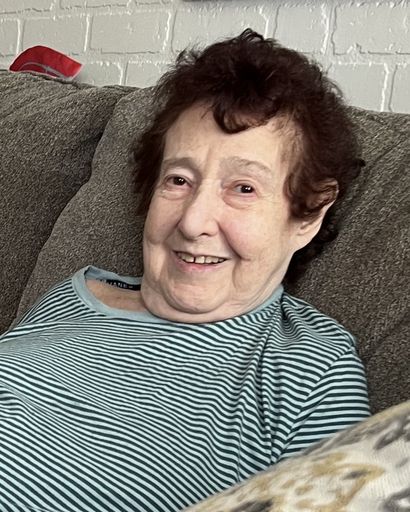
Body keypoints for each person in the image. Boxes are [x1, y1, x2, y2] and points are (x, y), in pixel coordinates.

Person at [0, 30, 370, 512]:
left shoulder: (309, 368)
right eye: (179, 180)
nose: (193, 222)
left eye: (243, 188)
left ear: (308, 213)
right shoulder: (74, 294)